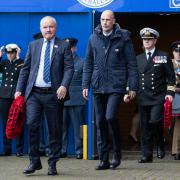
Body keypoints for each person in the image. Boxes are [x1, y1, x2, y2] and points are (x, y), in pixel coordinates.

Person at [15, 16, 74, 175]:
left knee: (54, 130)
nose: (48, 30)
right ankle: (34, 162)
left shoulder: (63, 46)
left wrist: (64, 85)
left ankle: (52, 163)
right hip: (34, 93)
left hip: (53, 95)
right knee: (32, 124)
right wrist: (19, 89)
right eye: (45, 27)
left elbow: (69, 68)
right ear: (41, 29)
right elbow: (25, 69)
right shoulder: (34, 45)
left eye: (51, 27)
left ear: (56, 28)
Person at [83, 10, 138, 170]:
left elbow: (132, 64)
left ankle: (117, 152)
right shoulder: (93, 38)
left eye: (108, 19)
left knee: (110, 117)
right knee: (100, 122)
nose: (105, 22)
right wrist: (86, 85)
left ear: (114, 21)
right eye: (102, 19)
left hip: (116, 85)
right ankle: (104, 159)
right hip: (98, 85)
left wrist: (132, 86)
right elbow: (88, 63)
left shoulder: (123, 38)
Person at [136, 27, 176, 163]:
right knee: (145, 127)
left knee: (154, 121)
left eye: (149, 39)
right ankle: (146, 155)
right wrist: (129, 91)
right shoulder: (138, 58)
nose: (146, 42)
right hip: (143, 97)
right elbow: (134, 78)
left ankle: (159, 142)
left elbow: (171, 78)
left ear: (155, 40)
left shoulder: (163, 56)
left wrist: (170, 93)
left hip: (158, 96)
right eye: (144, 39)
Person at [61, 38, 86, 159]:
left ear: (74, 48)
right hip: (62, 99)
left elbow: (84, 81)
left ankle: (79, 150)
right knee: (62, 127)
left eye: (70, 48)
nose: (68, 50)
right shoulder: (59, 62)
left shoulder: (82, 62)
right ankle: (62, 149)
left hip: (76, 99)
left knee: (78, 127)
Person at [0, 44, 24, 157]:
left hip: (16, 96)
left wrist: (18, 58)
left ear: (16, 52)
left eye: (12, 53)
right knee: (6, 123)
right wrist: (0, 56)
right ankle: (7, 149)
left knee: (18, 122)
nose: (10, 55)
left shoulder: (21, 62)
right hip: (4, 96)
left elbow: (23, 73)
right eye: (8, 53)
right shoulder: (4, 63)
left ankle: (19, 149)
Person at [171, 41, 180, 160]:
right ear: (173, 52)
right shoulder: (168, 64)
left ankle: (176, 150)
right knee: (170, 125)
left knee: (178, 122)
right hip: (170, 96)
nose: (179, 54)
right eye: (177, 52)